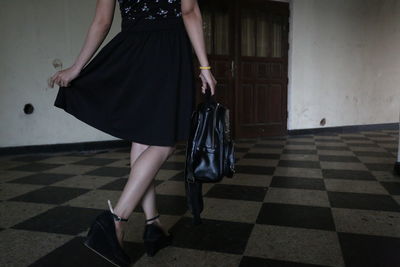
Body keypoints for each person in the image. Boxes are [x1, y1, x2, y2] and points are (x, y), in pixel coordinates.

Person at [48, 0, 216, 265]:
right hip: (168, 51)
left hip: (131, 49)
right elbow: (189, 10)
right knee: (164, 143)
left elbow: (102, 22)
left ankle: (153, 225)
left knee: (143, 138)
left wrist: (76, 68)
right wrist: (205, 67)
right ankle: (115, 222)